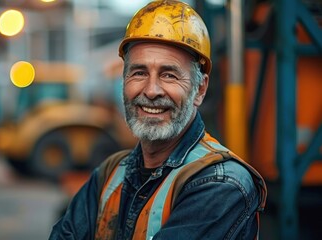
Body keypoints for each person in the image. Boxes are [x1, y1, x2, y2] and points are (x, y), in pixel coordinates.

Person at [49, 1, 267, 239]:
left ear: (200, 89)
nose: (151, 90)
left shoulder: (222, 185)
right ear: (123, 81)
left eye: (169, 75)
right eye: (139, 72)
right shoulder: (109, 174)